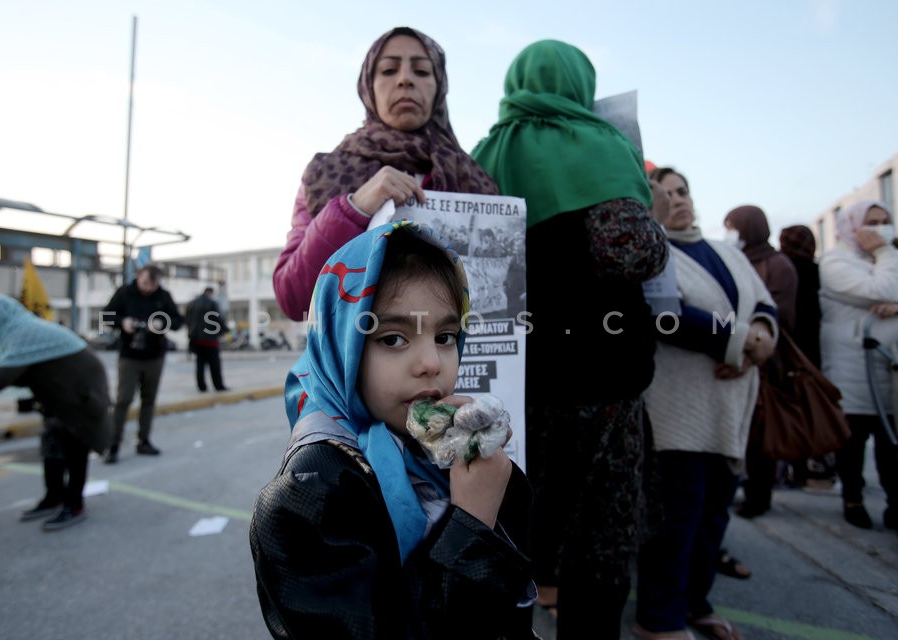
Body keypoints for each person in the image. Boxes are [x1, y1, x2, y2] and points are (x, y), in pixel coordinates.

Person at [250, 221, 536, 640]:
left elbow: (518, 561)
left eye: (445, 336)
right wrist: (471, 520)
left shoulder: (427, 443)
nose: (431, 362)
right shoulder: (309, 493)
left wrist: (497, 479)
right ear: (339, 341)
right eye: (392, 339)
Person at [470, 40, 668, 639]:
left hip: (510, 391)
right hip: (603, 386)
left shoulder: (482, 154)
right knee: (599, 549)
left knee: (508, 539)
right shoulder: (604, 144)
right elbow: (629, 248)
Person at [272, 26, 500, 322]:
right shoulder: (325, 173)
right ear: (369, 85)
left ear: (439, 86)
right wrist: (353, 208)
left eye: (421, 71)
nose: (405, 79)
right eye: (389, 69)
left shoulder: (475, 180)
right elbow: (294, 298)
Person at [635, 167, 778, 640]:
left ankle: (697, 604)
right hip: (679, 406)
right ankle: (660, 619)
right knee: (678, 517)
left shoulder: (724, 252)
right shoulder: (654, 252)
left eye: (682, 191)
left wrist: (762, 337)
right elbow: (667, 315)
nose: (677, 200)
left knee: (714, 513)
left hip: (729, 404)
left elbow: (762, 303)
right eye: (666, 193)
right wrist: (740, 343)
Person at [0, 294, 111, 531]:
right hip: (57, 398)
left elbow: (2, 378)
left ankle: (74, 504)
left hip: (80, 399)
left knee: (74, 452)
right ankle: (53, 497)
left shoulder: (25, 333)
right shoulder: (13, 334)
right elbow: (9, 374)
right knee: (52, 451)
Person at [818, 199, 898, 532]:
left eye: (884, 221)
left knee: (891, 444)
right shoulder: (836, 262)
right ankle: (853, 499)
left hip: (888, 368)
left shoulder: (884, 257)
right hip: (852, 368)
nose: (879, 228)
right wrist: (886, 255)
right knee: (852, 442)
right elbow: (882, 287)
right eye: (871, 222)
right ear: (852, 225)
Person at [723, 205, 799, 519]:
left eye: (732, 226)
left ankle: (759, 495)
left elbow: (777, 315)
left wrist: (754, 344)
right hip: (736, 353)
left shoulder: (777, 264)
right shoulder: (735, 260)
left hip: (765, 360)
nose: (729, 233)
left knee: (760, 434)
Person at [102, 265, 183, 463]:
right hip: (129, 355)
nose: (149, 288)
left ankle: (143, 440)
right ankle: (113, 444)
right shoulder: (124, 293)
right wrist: (123, 323)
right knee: (123, 399)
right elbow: (106, 316)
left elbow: (178, 321)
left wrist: (161, 323)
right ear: (138, 277)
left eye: (153, 284)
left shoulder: (163, 295)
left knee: (149, 400)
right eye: (146, 283)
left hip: (155, 355)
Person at [779, 224, 836, 489]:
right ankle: (815, 466)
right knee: (811, 409)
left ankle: (793, 467)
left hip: (784, 349)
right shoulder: (817, 271)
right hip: (813, 351)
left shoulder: (780, 267)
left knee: (788, 410)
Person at [185, 286, 230, 392]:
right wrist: (225, 330)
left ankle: (201, 386)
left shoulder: (192, 304)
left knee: (199, 364)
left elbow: (187, 320)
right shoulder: (212, 303)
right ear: (211, 293)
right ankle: (218, 385)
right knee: (214, 364)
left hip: (196, 339)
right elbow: (218, 319)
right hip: (210, 339)